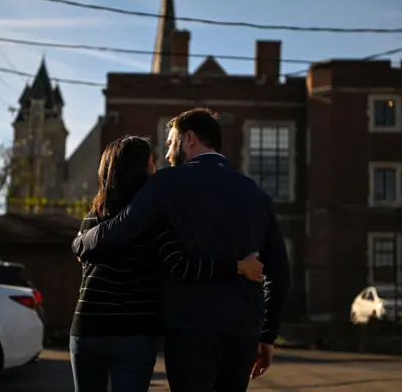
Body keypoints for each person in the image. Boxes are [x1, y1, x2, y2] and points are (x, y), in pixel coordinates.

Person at [73, 108, 291, 392]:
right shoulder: (256, 194)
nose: (166, 155)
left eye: (169, 143)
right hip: (242, 331)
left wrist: (80, 242)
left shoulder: (166, 183)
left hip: (189, 330)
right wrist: (267, 335)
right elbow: (280, 272)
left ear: (189, 139)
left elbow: (118, 231)